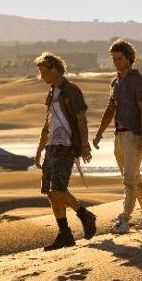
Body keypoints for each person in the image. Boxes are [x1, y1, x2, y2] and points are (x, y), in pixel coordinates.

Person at [93, 39, 142, 233]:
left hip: (135, 135)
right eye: (113, 58)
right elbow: (110, 109)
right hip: (119, 136)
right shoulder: (115, 82)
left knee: (129, 180)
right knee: (133, 179)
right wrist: (99, 133)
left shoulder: (138, 81)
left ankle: (124, 219)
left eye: (119, 58)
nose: (116, 62)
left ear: (129, 58)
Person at [33, 52, 98, 250]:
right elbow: (47, 123)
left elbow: (81, 119)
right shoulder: (52, 92)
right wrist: (39, 150)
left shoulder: (71, 90)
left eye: (44, 72)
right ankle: (65, 234)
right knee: (51, 193)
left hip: (67, 145)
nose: (42, 77)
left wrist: (85, 145)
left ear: (54, 69)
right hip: (52, 146)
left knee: (58, 189)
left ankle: (84, 214)